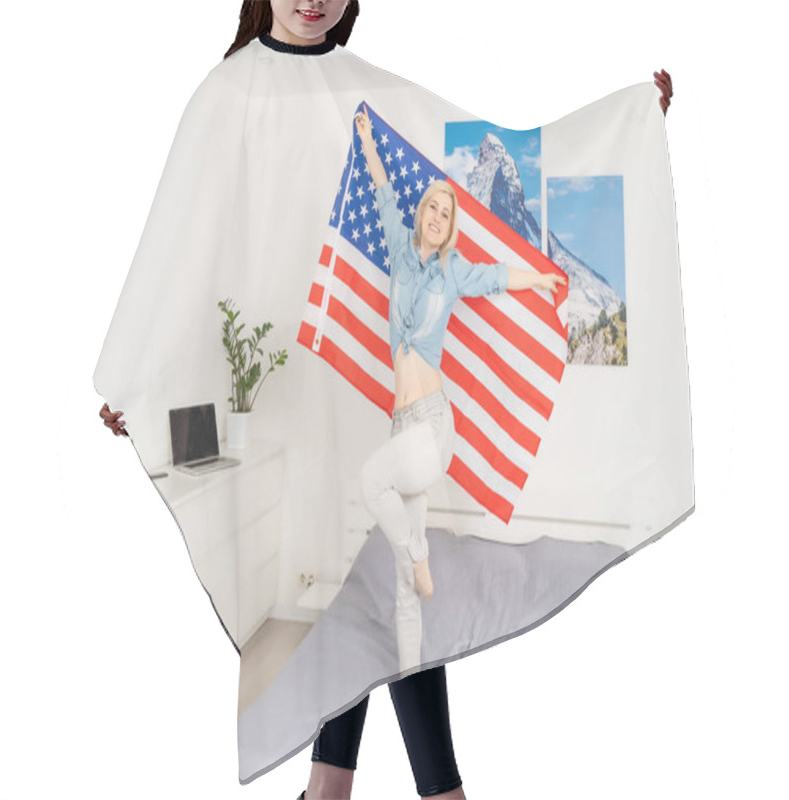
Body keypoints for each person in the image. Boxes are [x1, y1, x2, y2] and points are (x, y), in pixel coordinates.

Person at [98, 3, 674, 799]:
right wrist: (145, 380)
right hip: (291, 396)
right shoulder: (227, 95)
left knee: (375, 578)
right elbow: (190, 250)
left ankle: (361, 789)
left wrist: (627, 124)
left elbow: (474, 168)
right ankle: (361, 787)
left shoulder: (367, 89)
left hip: (368, 397)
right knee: (346, 587)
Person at [354, 103, 566, 677]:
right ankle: (411, 669)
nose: (437, 217)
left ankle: (421, 555)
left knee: (371, 484)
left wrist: (542, 276)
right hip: (403, 427)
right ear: (422, 214)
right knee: (404, 583)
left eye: (447, 213)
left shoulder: (452, 274)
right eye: (433, 208)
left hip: (431, 425)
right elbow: (379, 190)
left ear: (451, 226)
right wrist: (370, 144)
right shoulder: (400, 251)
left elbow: (499, 275)